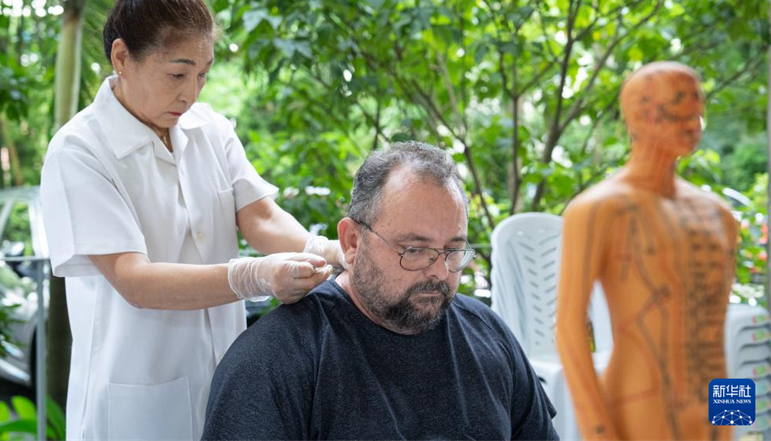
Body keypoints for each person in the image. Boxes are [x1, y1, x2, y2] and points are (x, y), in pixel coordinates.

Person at [39, 0, 344, 440]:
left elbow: (260, 217)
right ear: (121, 57)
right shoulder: (80, 150)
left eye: (202, 74)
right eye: (177, 73)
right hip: (134, 398)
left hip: (226, 380)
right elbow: (133, 278)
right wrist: (252, 276)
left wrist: (329, 250)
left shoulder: (211, 129)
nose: (191, 92)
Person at [202, 142, 559, 440]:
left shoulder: (487, 333)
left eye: (453, 250)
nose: (438, 272)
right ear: (352, 241)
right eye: (414, 250)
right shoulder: (275, 361)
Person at [556, 62, 738, 440]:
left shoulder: (719, 216)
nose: (693, 120)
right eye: (677, 106)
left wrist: (733, 422)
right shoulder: (597, 209)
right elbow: (569, 328)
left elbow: (715, 336)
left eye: (697, 105)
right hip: (639, 407)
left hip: (710, 415)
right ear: (637, 116)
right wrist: (598, 431)